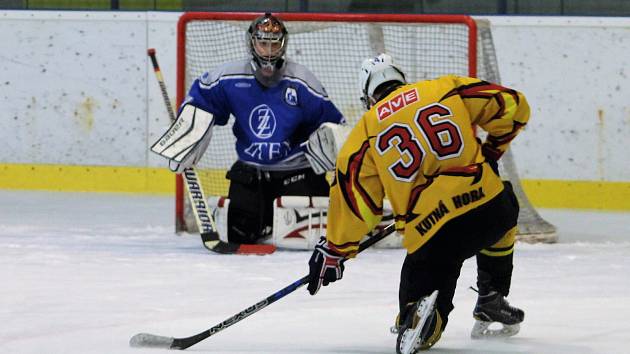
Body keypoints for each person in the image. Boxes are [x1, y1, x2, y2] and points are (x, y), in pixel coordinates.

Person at [306, 53, 526, 353]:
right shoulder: (445, 88)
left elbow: (357, 203)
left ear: (368, 98)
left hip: (432, 232)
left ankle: (419, 316)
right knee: (504, 201)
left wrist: (336, 249)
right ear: (402, 80)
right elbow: (512, 105)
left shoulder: (365, 131)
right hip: (486, 209)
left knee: (422, 297)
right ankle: (492, 295)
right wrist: (492, 150)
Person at [152, 13, 346, 245]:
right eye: (263, 43)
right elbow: (199, 102)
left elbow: (334, 125)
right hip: (251, 173)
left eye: (275, 44)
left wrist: (333, 153)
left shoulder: (302, 81)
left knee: (306, 240)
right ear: (251, 43)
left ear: (283, 45)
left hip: (297, 173)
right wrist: (184, 134)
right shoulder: (228, 78)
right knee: (238, 234)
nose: (269, 50)